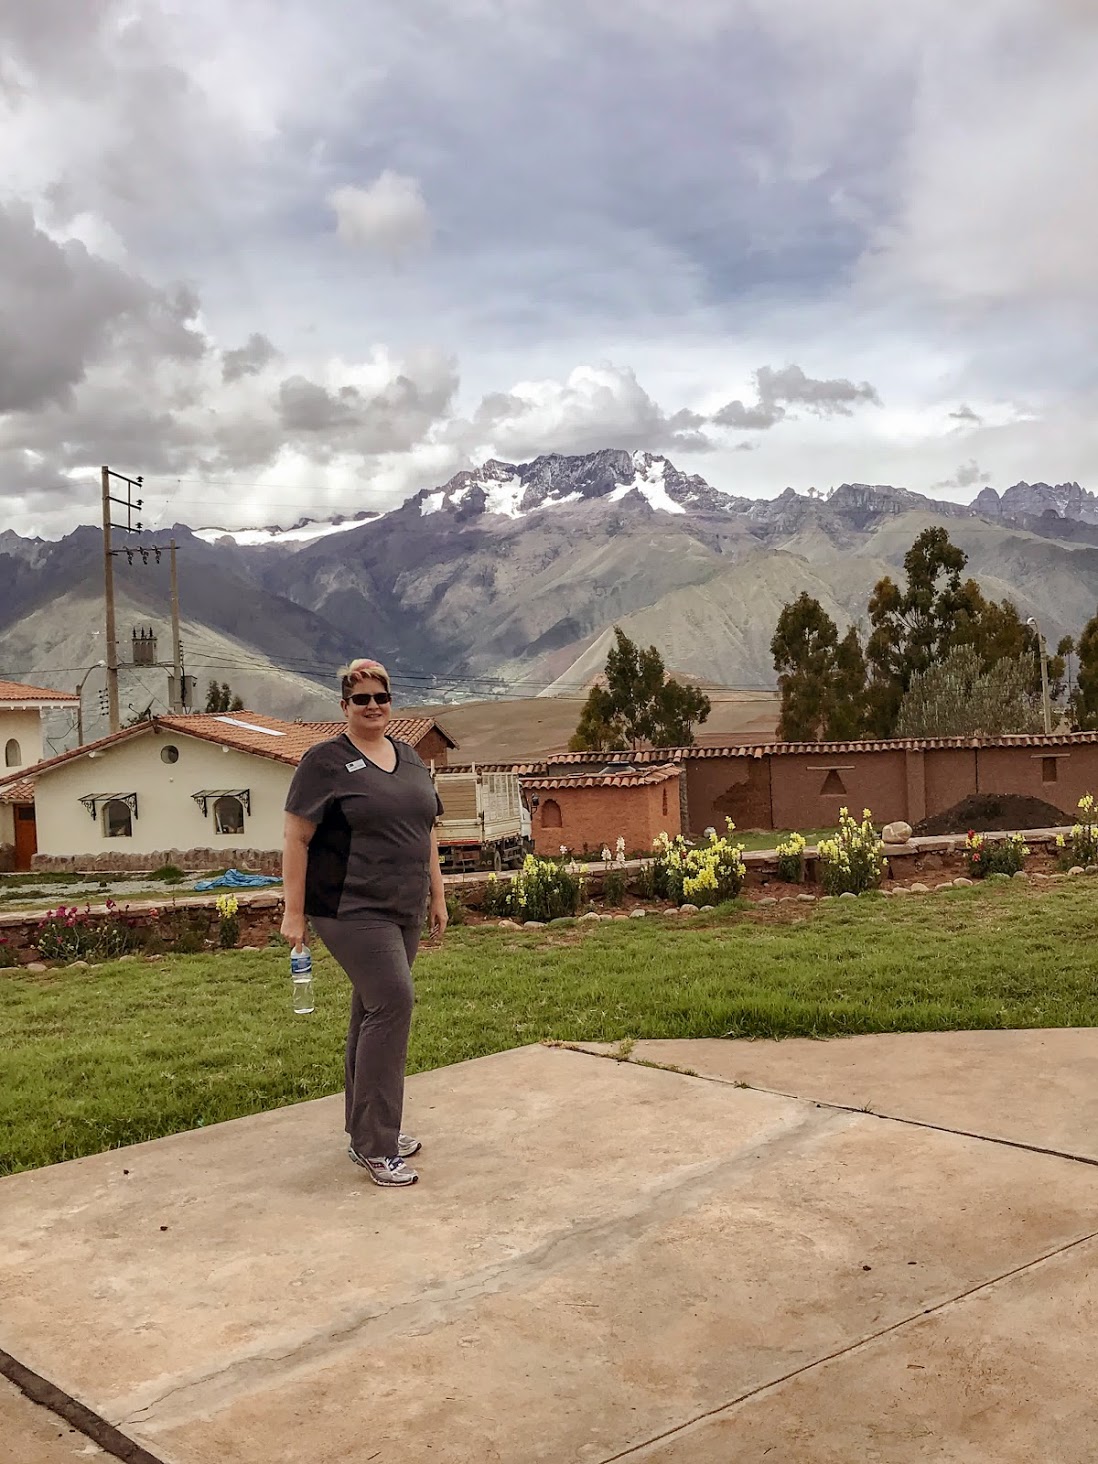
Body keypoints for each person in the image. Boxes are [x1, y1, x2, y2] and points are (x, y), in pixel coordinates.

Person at [280, 658, 448, 1187]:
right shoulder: (324, 762)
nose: (372, 706)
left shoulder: (410, 757)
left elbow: (427, 832)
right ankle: (377, 1145)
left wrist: (437, 894)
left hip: (403, 905)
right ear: (344, 706)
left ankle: (365, 1131)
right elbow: (296, 839)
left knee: (370, 1011)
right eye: (361, 699)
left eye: (381, 697)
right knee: (393, 1002)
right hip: (348, 907)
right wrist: (292, 912)